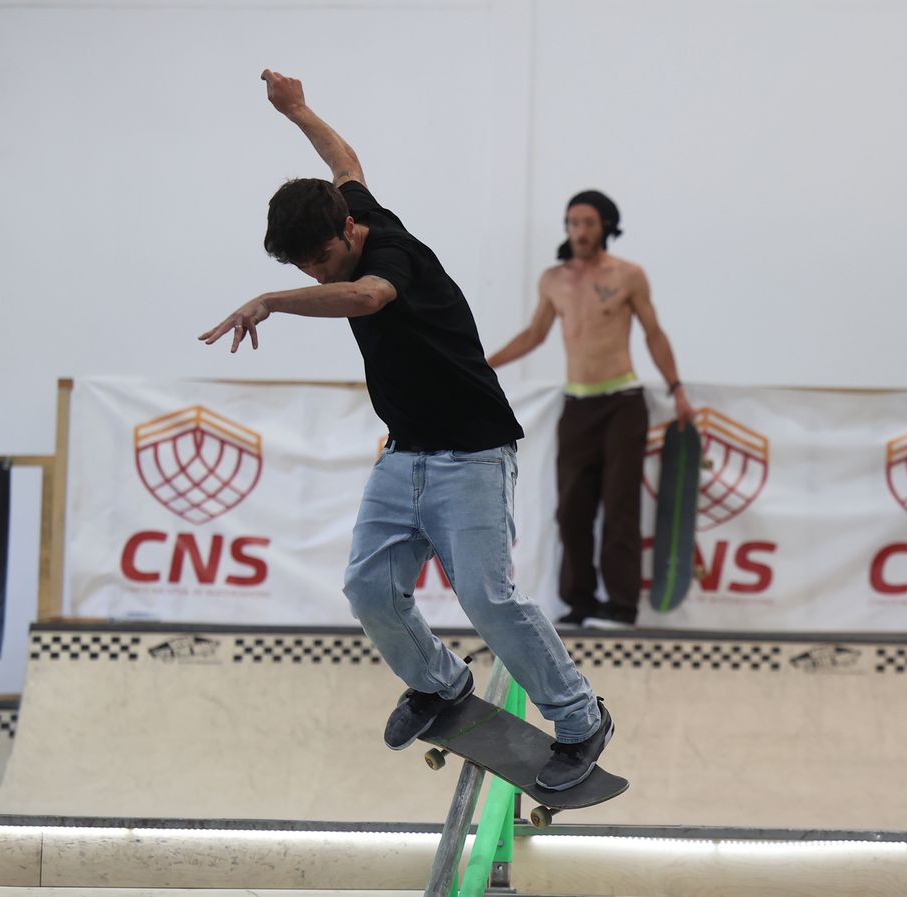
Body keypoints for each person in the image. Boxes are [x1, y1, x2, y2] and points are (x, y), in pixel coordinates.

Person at [199, 70, 612, 790]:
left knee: (487, 598)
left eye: (322, 262)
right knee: (367, 586)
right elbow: (345, 162)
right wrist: (298, 109)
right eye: (302, 270)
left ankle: (581, 718)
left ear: (350, 230)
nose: (319, 276)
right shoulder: (348, 203)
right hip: (404, 454)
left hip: (474, 454)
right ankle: (440, 682)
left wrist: (273, 299)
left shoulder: (390, 255)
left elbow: (364, 296)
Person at [488, 191, 693, 628]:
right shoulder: (553, 280)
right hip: (576, 404)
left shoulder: (628, 276)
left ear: (605, 227)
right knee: (572, 508)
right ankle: (578, 601)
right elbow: (534, 334)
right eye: (572, 223)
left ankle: (621, 605)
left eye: (587, 223)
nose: (579, 231)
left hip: (622, 402)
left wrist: (677, 388)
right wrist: (483, 364)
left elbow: (654, 333)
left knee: (620, 506)